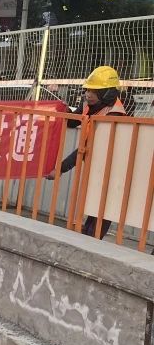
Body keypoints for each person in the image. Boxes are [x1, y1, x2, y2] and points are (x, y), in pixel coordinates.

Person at [46, 66, 129, 240]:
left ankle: (92, 239)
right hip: (95, 163)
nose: (88, 94)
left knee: (104, 207)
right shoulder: (89, 105)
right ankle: (88, 235)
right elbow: (72, 122)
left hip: (113, 167)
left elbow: (86, 148)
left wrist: (60, 169)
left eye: (94, 91)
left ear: (107, 93)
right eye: (87, 90)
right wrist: (64, 111)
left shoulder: (115, 114)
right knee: (94, 202)